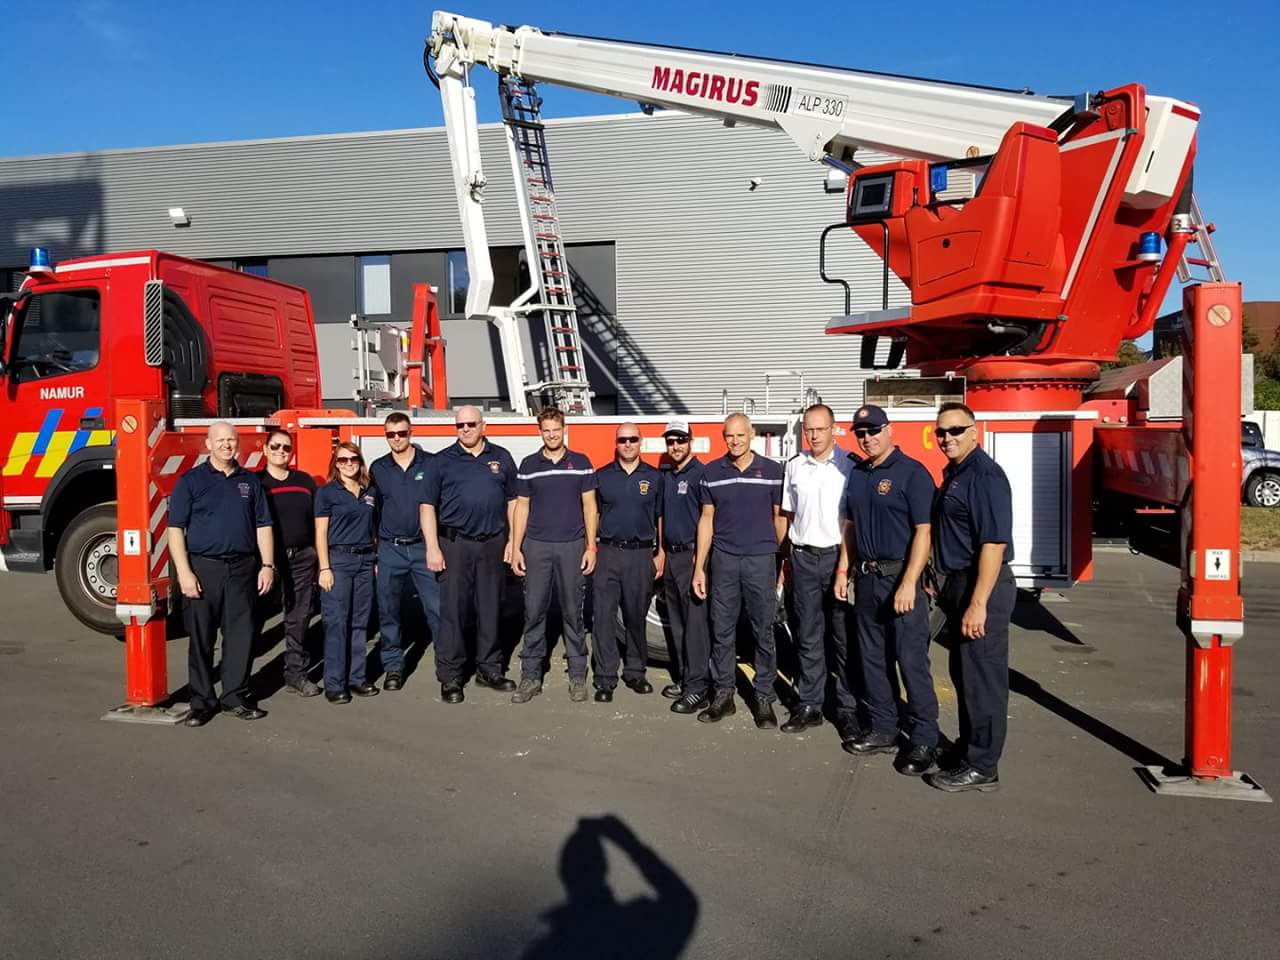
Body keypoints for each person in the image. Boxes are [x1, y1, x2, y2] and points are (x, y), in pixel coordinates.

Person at [835, 404, 940, 775]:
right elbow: (849, 525)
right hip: (865, 580)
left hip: (900, 580)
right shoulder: (860, 474)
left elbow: (924, 533)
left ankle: (926, 740)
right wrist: (844, 569)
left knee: (912, 663)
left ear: (889, 429)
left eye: (874, 431)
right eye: (860, 433)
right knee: (872, 659)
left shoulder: (912, 474)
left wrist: (910, 582)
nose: (867, 438)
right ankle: (883, 729)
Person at [922, 401, 1016, 793]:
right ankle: (969, 749)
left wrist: (978, 603)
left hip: (983, 586)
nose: (947, 438)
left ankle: (983, 766)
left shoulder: (985, 475)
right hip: (957, 584)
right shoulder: (955, 473)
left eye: (956, 430)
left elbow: (993, 544)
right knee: (965, 675)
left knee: (983, 679)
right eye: (941, 432)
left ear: (974, 431)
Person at [168, 421, 275, 726]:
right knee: (202, 638)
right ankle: (201, 702)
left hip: (243, 568)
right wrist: (185, 574)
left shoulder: (250, 482)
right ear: (209, 444)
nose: (227, 445)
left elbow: (263, 525)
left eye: (232, 440)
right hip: (204, 568)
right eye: (221, 440)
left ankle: (235, 697)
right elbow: (176, 529)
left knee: (241, 637)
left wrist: (267, 565)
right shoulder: (191, 481)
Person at [692, 413, 786, 728]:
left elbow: (779, 518)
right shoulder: (711, 473)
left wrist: (778, 560)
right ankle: (723, 694)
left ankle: (763, 697)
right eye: (729, 436)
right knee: (722, 630)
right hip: (725, 560)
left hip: (760, 560)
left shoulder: (774, 472)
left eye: (740, 436)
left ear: (752, 435)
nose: (735, 442)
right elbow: (706, 519)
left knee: (763, 630)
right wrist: (700, 567)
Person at [420, 406, 519, 704]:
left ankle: (489, 669)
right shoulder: (441, 461)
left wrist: (513, 540)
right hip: (455, 545)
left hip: (492, 543)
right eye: (459, 424)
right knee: (454, 612)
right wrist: (432, 547)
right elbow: (427, 506)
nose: (465, 429)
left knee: (490, 608)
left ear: (483, 425)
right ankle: (451, 676)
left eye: (471, 424)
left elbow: (514, 501)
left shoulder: (501, 457)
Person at [510, 407, 598, 705]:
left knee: (573, 613)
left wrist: (590, 546)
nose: (551, 435)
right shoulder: (528, 464)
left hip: (572, 546)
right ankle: (531, 676)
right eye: (546, 430)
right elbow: (521, 507)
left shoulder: (582, 463)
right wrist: (515, 546)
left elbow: (589, 507)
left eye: (555, 430)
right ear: (540, 432)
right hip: (536, 546)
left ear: (564, 430)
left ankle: (577, 676)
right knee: (534, 612)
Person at [778, 403, 857, 735]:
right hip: (804, 559)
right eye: (808, 429)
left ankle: (848, 709)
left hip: (838, 560)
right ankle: (810, 704)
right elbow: (787, 515)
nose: (813, 435)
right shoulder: (795, 466)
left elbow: (853, 521)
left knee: (842, 638)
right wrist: (785, 561)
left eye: (820, 429)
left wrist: (845, 566)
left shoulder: (850, 466)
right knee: (808, 636)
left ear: (833, 429)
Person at [591, 422, 664, 703]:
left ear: (640, 442)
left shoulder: (655, 478)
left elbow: (661, 518)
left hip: (641, 554)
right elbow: (593, 514)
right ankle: (605, 678)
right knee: (604, 619)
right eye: (623, 440)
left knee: (636, 617)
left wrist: (661, 554)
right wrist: (591, 548)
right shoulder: (602, 476)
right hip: (608, 552)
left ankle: (635, 672)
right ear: (616, 443)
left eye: (633, 439)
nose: (628, 444)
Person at [369, 412, 439, 691]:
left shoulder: (432, 463)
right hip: (390, 549)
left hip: (423, 548)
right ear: (385, 436)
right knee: (388, 610)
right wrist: (374, 552)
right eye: (390, 434)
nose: (396, 439)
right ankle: (394, 667)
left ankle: (447, 666)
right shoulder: (377, 468)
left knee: (437, 609)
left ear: (411, 432)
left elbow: (440, 506)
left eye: (402, 433)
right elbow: (370, 513)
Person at [314, 442, 381, 704]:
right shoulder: (327, 493)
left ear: (360, 461)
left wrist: (373, 558)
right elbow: (320, 533)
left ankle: (357, 678)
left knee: (360, 623)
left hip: (365, 560)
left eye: (353, 459)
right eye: (342, 460)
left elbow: (373, 528)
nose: (349, 464)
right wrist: (324, 568)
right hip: (338, 561)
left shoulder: (369, 490)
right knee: (336, 623)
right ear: (335, 464)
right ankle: (334, 683)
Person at [258, 428, 320, 698]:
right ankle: (241, 680)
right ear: (265, 450)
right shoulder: (255, 483)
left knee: (298, 618)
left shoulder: (305, 481)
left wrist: (320, 557)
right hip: (266, 562)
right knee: (250, 619)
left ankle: (296, 674)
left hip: (303, 558)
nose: (281, 452)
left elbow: (319, 523)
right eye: (275, 447)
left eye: (286, 448)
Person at [658, 419, 711, 715]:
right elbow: (663, 517)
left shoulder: (700, 473)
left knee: (695, 628)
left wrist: (700, 562)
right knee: (677, 626)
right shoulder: (667, 475)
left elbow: (709, 518)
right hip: (672, 558)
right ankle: (684, 677)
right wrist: (663, 551)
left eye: (680, 440)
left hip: (692, 558)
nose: (675, 446)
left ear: (690, 440)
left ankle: (698, 688)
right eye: (670, 441)